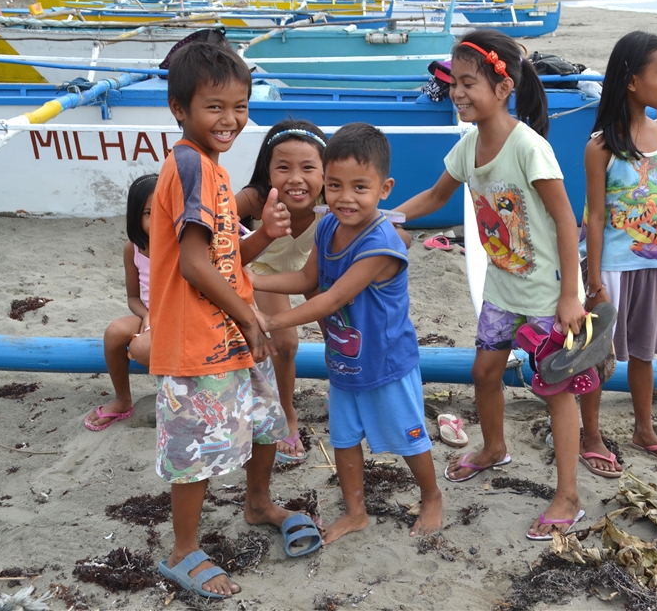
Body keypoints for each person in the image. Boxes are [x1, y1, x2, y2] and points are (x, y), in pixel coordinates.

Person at [393, 30, 587, 541]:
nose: (456, 93)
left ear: (502, 89)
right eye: (452, 83)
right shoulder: (468, 146)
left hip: (548, 293)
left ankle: (568, 495)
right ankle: (494, 448)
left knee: (556, 390)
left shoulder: (529, 148)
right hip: (502, 287)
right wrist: (387, 217)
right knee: (484, 372)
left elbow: (567, 221)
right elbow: (435, 197)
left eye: (467, 83)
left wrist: (571, 295)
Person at [148, 40, 319, 599]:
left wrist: (263, 237)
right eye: (214, 107)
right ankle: (184, 550)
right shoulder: (189, 166)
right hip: (199, 340)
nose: (230, 119)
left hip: (231, 336)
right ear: (180, 108)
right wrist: (249, 317)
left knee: (269, 423)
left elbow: (220, 258)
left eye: (240, 106)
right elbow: (194, 265)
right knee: (194, 452)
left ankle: (259, 502)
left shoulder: (217, 174)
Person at [250, 122, 443, 545]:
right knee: (343, 440)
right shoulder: (326, 226)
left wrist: (271, 321)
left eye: (360, 187)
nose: (344, 198)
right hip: (343, 361)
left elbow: (333, 297)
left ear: (385, 188)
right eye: (334, 186)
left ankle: (431, 496)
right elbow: (306, 278)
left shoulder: (383, 242)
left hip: (387, 362)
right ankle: (356, 511)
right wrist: (249, 285)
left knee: (410, 437)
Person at [577, 31, 657, 478]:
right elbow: (597, 218)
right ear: (631, 80)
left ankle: (644, 429)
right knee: (596, 355)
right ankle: (591, 435)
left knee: (644, 353)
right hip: (612, 268)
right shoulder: (601, 146)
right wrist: (594, 281)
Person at [235, 119, 329, 464]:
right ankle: (287, 413)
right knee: (286, 342)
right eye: (283, 167)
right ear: (267, 170)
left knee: (342, 328)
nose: (296, 178)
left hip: (309, 266)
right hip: (260, 269)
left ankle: (344, 390)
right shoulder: (256, 198)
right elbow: (214, 222)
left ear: (324, 171)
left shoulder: (329, 200)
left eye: (308, 167)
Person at [84, 173, 156, 431]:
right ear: (136, 216)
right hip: (148, 316)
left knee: (145, 349)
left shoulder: (182, 245)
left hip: (179, 317)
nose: (159, 218)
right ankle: (123, 399)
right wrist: (147, 316)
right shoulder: (133, 249)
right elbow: (134, 297)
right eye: (149, 212)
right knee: (115, 332)